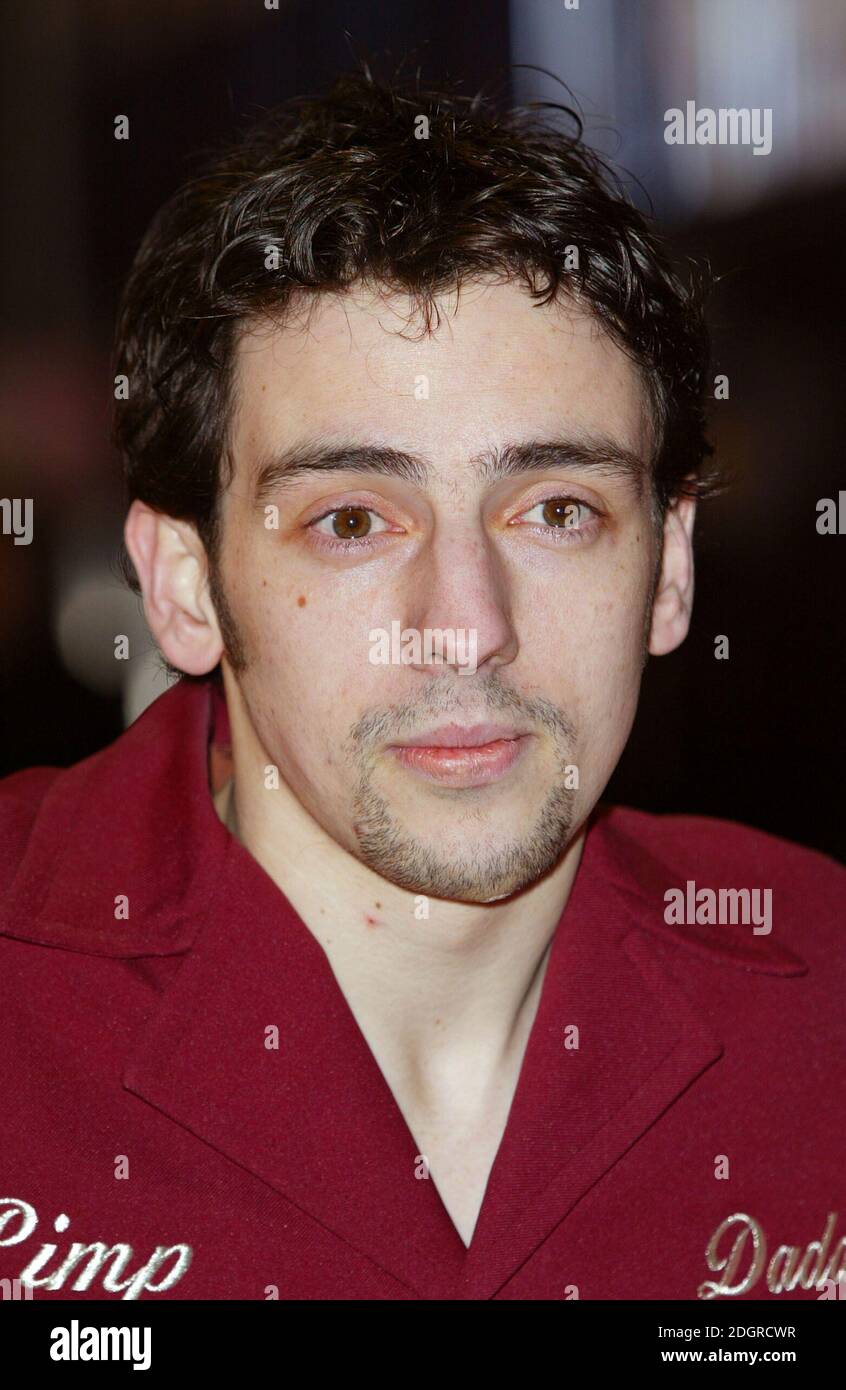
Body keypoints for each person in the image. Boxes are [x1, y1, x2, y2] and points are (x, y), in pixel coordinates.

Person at [1, 70, 843, 1303]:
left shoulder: (821, 998)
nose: (466, 629)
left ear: (669, 573)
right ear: (182, 584)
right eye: (352, 520)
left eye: (558, 511)